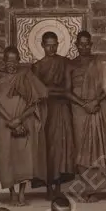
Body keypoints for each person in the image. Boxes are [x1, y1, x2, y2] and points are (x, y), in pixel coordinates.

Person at [0, 46, 48, 205]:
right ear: (3, 61)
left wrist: (19, 120)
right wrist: (10, 120)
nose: (11, 64)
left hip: (24, 120)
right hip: (4, 122)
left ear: (19, 61)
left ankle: (22, 193)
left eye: (14, 60)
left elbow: (35, 102)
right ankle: (12, 193)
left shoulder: (26, 75)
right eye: (8, 60)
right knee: (6, 157)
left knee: (24, 157)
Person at [67, 30, 106, 201]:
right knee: (82, 150)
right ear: (76, 45)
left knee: (98, 150)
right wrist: (84, 104)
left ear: (91, 45)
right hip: (79, 111)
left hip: (98, 107)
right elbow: (67, 90)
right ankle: (84, 189)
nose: (84, 47)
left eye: (87, 44)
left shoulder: (99, 62)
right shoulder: (71, 65)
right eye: (81, 44)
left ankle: (95, 190)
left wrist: (95, 101)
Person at [33, 31, 76, 196]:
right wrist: (50, 91)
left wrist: (50, 90)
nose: (51, 48)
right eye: (48, 45)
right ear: (42, 45)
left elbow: (67, 89)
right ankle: (48, 186)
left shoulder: (65, 63)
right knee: (48, 147)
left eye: (54, 44)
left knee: (62, 147)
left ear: (58, 44)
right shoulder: (37, 66)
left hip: (62, 109)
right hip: (45, 110)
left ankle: (58, 185)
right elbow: (39, 91)